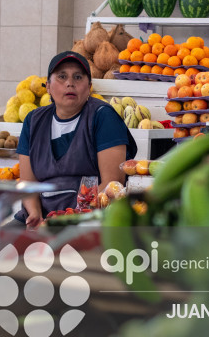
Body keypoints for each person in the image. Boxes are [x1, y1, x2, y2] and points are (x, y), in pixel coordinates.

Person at [13, 51, 137, 228]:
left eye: (78, 77)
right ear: (48, 86)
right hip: (41, 215)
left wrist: (70, 218)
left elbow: (112, 184)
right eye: (62, 77)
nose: (70, 83)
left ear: (89, 86)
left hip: (89, 219)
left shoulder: (103, 117)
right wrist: (35, 214)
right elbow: (28, 183)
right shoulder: (33, 121)